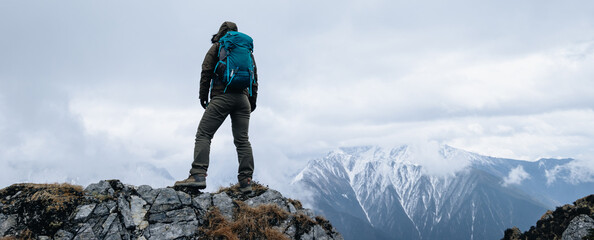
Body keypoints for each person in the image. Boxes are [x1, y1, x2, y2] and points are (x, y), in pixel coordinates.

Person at [175, 21, 258, 193]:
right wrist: (252, 102)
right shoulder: (246, 51)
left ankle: (198, 174)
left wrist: (203, 96)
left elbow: (206, 71)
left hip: (222, 97)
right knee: (242, 140)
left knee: (204, 134)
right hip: (243, 100)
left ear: (221, 32)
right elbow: (254, 77)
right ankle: (246, 180)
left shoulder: (218, 46)